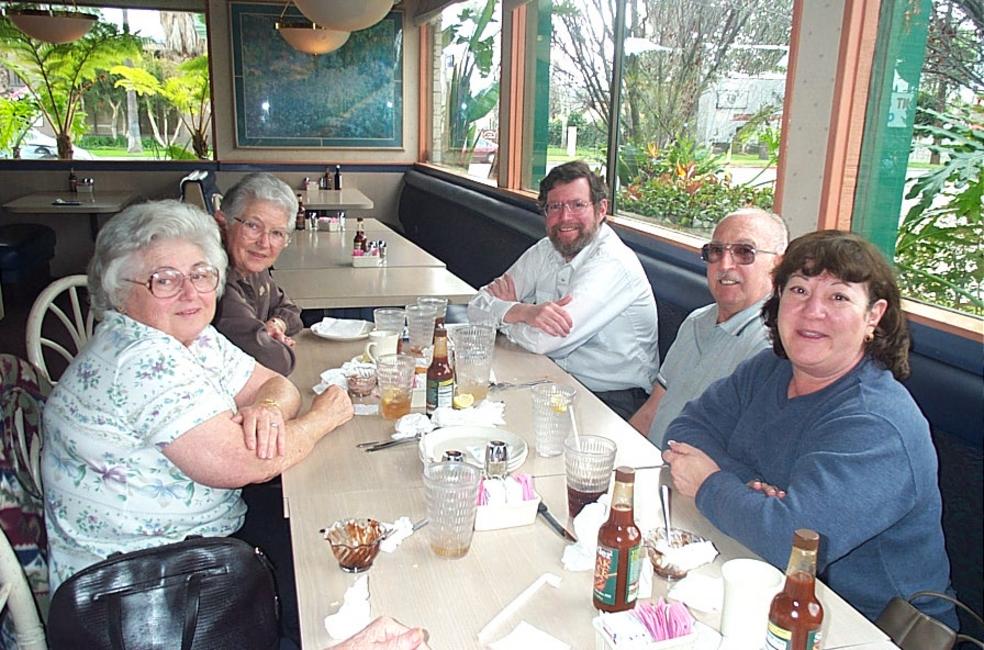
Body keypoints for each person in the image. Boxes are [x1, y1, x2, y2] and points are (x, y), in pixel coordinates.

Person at [41, 200, 353, 641]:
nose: (190, 293)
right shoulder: (139, 357)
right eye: (165, 279)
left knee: (328, 530)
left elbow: (278, 385)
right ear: (119, 290)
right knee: (331, 583)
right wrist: (323, 417)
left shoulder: (192, 335)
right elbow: (243, 463)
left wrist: (266, 409)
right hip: (136, 589)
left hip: (198, 539)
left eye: (201, 274)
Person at [661, 230, 957, 627]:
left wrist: (712, 483)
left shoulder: (877, 424)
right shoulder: (769, 368)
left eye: (838, 297)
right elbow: (684, 431)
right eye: (799, 290)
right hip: (762, 574)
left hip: (862, 624)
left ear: (873, 315)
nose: (812, 310)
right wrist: (751, 491)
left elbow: (791, 544)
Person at [467, 161, 658, 418]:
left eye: (578, 205)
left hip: (609, 397)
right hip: (547, 376)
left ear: (601, 209)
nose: (565, 217)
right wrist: (523, 312)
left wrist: (506, 318)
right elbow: (476, 306)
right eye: (555, 207)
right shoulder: (546, 250)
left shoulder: (612, 263)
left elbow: (545, 342)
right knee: (474, 408)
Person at [629, 208, 788, 446]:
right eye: (716, 251)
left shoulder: (773, 348)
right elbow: (653, 409)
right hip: (648, 459)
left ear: (778, 264)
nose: (725, 264)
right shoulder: (696, 321)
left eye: (744, 252)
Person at [213, 172, 303, 375]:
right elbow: (275, 361)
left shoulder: (253, 267)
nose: (264, 243)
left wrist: (276, 324)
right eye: (253, 226)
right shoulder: (215, 282)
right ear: (222, 223)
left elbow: (291, 311)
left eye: (277, 233)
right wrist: (276, 344)